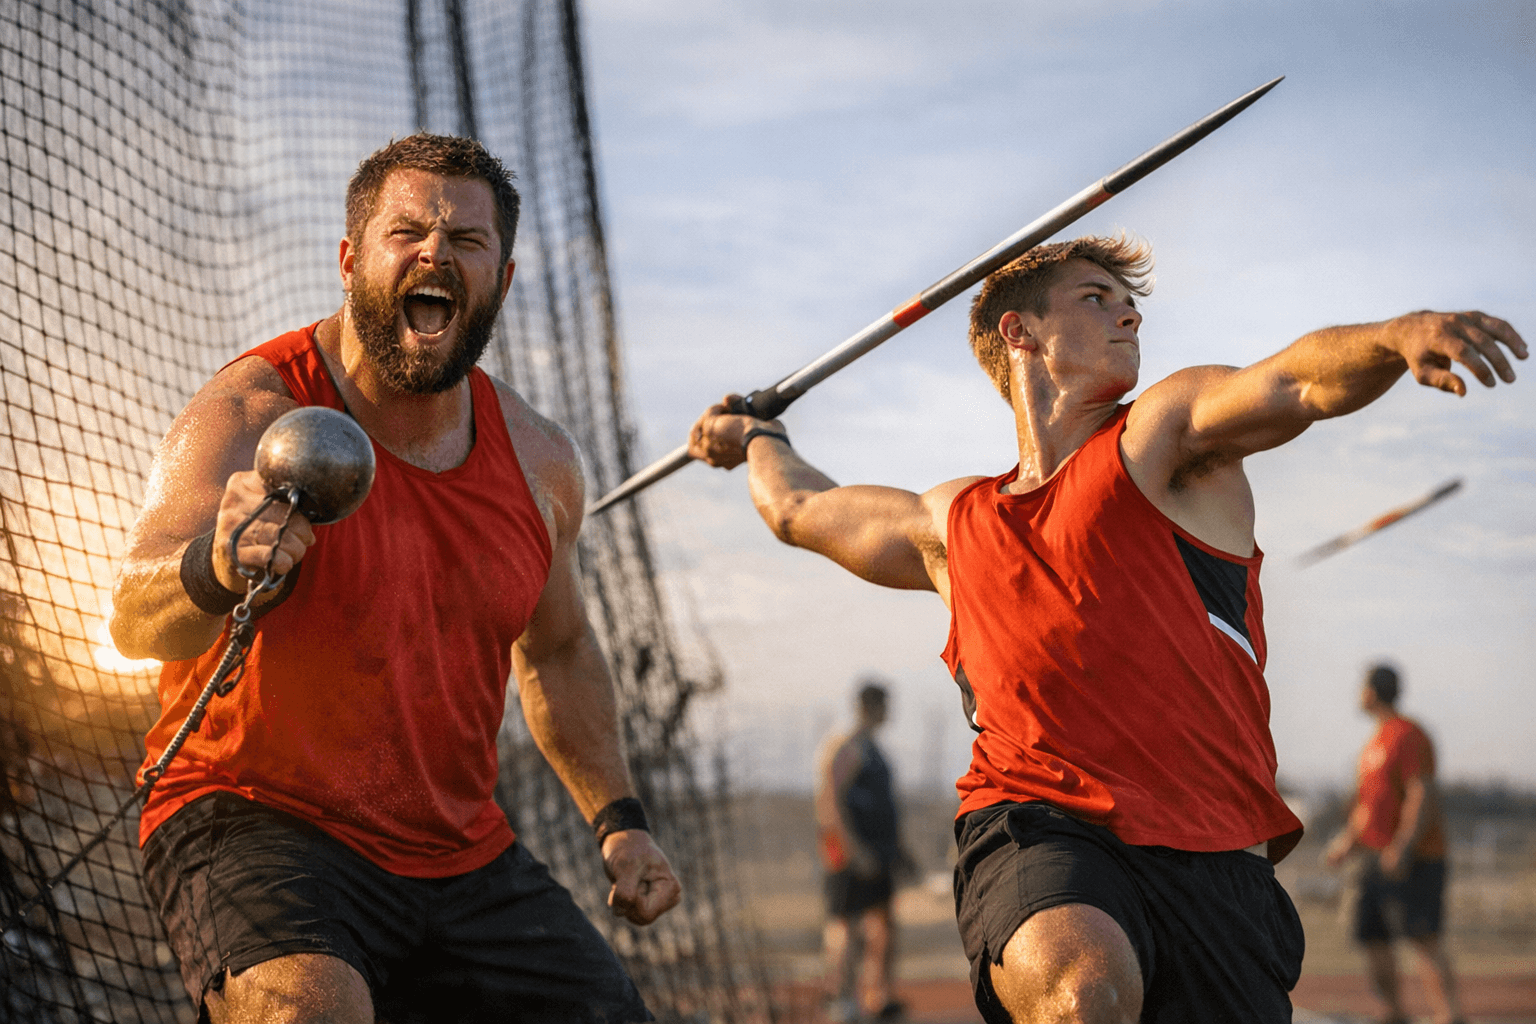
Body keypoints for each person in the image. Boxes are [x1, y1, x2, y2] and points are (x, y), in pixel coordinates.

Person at [687, 235, 1525, 1023]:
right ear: (1021, 333)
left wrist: (1393, 336)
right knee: (1086, 992)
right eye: (1098, 297)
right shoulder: (951, 524)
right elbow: (798, 508)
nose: (1130, 315)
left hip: (1216, 850)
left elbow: (1294, 383)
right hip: (1035, 821)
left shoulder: (1160, 438)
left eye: (1131, 304)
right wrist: (755, 436)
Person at [110, 133, 681, 1024]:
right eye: (407, 231)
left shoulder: (541, 462)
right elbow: (133, 616)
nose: (434, 254)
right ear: (350, 260)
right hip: (252, 815)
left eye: (467, 242)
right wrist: (213, 567)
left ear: (503, 278)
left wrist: (620, 822)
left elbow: (561, 650)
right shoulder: (248, 408)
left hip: (457, 850)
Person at [1325, 664, 1465, 1024]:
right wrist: (1346, 842)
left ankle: (1449, 1016)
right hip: (1372, 857)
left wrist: (1403, 844)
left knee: (1423, 937)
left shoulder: (1407, 734)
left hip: (1415, 856)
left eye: (1362, 686)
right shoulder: (1372, 744)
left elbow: (1421, 791)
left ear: (1373, 691)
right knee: (1373, 937)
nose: (1358, 692)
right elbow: (1367, 806)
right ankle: (1396, 1013)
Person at [815, 680, 911, 1022]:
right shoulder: (846, 746)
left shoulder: (875, 750)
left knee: (884, 925)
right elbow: (830, 802)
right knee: (846, 924)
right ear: (870, 706)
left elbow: (885, 807)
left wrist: (900, 850)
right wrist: (855, 852)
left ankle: (877, 997)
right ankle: (840, 998)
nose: (889, 712)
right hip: (850, 856)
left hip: (880, 854)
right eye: (884, 705)